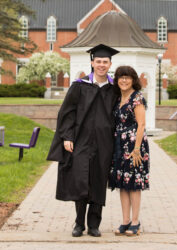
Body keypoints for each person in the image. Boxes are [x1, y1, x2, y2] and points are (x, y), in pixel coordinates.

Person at [47, 44, 119, 237]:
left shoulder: (114, 89)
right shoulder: (80, 86)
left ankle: (94, 224)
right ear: (92, 63)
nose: (102, 65)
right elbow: (67, 113)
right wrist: (67, 136)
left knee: (98, 180)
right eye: (98, 62)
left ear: (110, 63)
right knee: (81, 180)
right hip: (81, 140)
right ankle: (79, 223)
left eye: (105, 62)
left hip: (104, 142)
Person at [108, 65, 150, 236]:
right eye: (121, 77)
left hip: (134, 146)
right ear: (117, 80)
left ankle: (135, 222)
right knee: (122, 184)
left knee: (133, 184)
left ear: (133, 80)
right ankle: (125, 221)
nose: (124, 80)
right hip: (119, 145)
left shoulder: (137, 98)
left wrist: (137, 149)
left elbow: (141, 124)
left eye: (127, 77)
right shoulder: (118, 98)